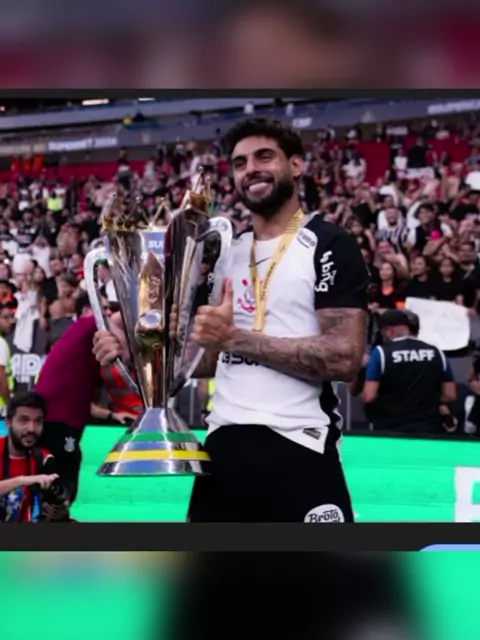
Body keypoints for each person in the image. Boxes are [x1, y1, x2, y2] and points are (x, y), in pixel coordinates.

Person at [93, 117, 369, 523]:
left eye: (264, 157)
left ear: (296, 165)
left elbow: (344, 358)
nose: (250, 169)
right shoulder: (225, 251)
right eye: (240, 163)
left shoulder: (330, 244)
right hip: (222, 446)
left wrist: (235, 338)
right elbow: (204, 359)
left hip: (300, 444)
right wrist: (137, 348)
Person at [362, 309, 457, 434]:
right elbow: (450, 394)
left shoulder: (381, 353)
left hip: (389, 428)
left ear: (389, 330)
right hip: (427, 428)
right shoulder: (437, 352)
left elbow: (369, 396)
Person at [0, 392, 69, 523]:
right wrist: (21, 481)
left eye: (38, 421)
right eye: (24, 420)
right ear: (8, 422)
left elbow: (60, 500)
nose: (31, 428)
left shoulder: (44, 459)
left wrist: (60, 511)